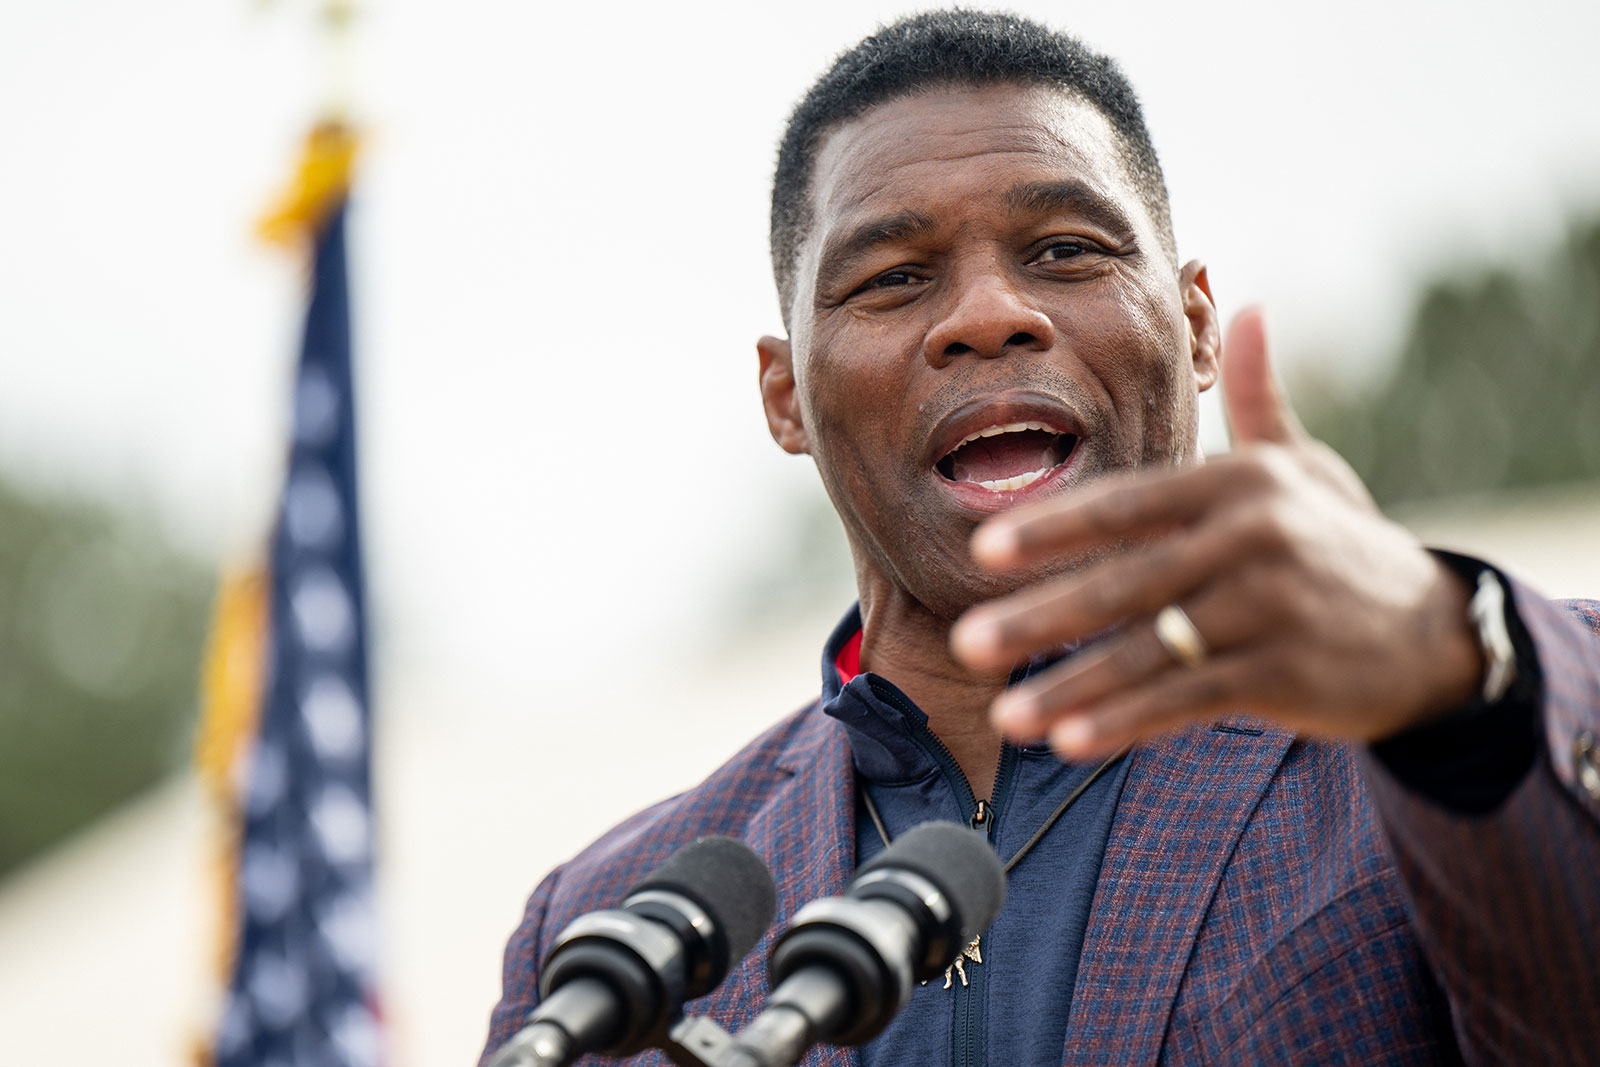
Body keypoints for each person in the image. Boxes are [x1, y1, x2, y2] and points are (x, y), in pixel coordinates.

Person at [481, 11, 1600, 1065]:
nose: (985, 315)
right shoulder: (601, 928)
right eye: (893, 278)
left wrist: (1460, 696)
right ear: (784, 396)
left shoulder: (1479, 716)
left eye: (1066, 250)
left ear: (1196, 321)